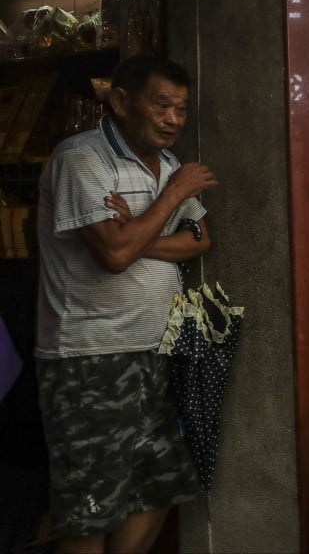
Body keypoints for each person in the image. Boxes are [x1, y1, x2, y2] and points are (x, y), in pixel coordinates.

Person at [35, 54, 218, 553]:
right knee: (90, 508)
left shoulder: (168, 163)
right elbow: (114, 254)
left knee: (161, 483)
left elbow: (199, 238)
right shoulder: (82, 159)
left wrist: (138, 230)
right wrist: (170, 198)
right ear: (120, 100)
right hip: (88, 358)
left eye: (181, 109)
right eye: (161, 105)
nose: (173, 120)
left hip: (155, 352)